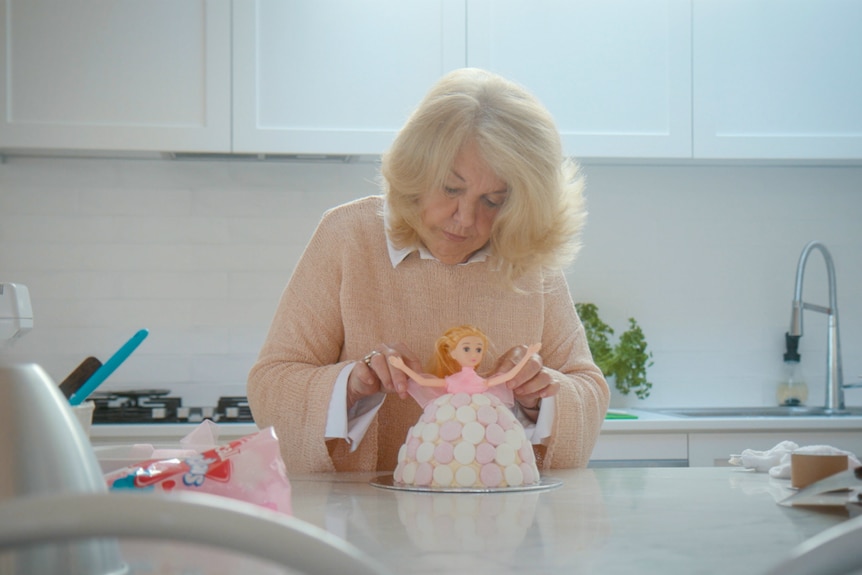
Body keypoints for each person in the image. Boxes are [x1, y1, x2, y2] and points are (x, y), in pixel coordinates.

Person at [247, 67, 609, 475]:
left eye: (493, 200)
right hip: (359, 521)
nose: (465, 218)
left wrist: (540, 398)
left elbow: (588, 386)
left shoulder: (524, 256)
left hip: (497, 522)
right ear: (415, 173)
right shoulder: (348, 236)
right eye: (451, 189)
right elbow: (270, 384)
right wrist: (350, 385)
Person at [388, 323, 541, 397]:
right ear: (452, 353)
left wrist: (527, 355)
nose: (473, 354)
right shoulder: (451, 382)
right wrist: (402, 367)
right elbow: (422, 382)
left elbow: (509, 376)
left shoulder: (482, 382)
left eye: (479, 349)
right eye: (466, 349)